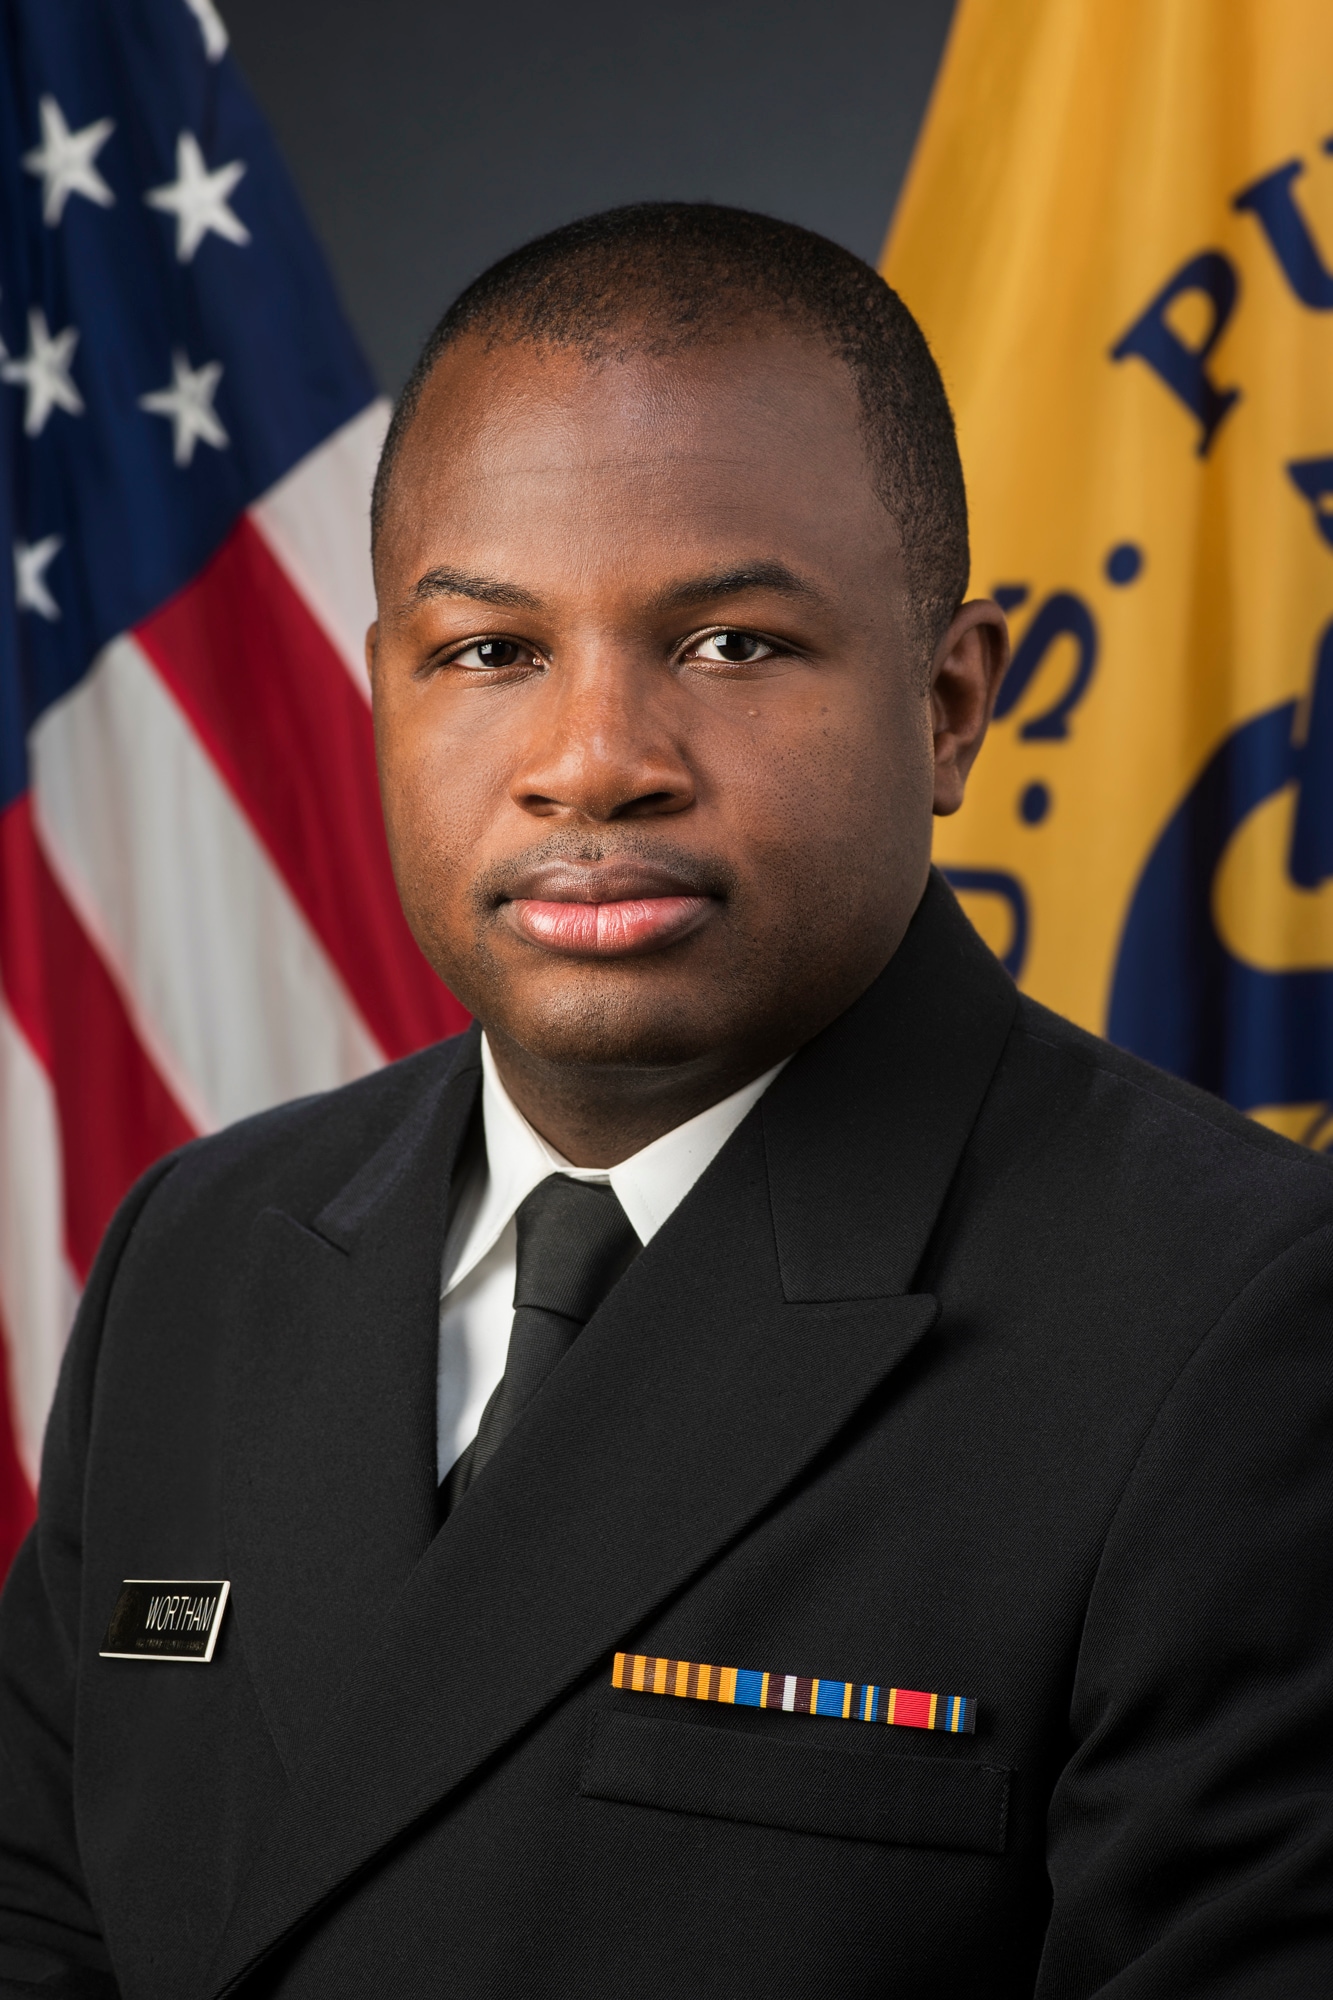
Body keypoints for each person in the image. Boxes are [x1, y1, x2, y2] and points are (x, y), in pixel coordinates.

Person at [1, 203, 1331, 2000]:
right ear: (382, 688)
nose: (592, 762)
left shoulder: (1241, 1328)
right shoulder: (203, 1252)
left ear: (949, 707)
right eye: (489, 652)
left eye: (729, 645)